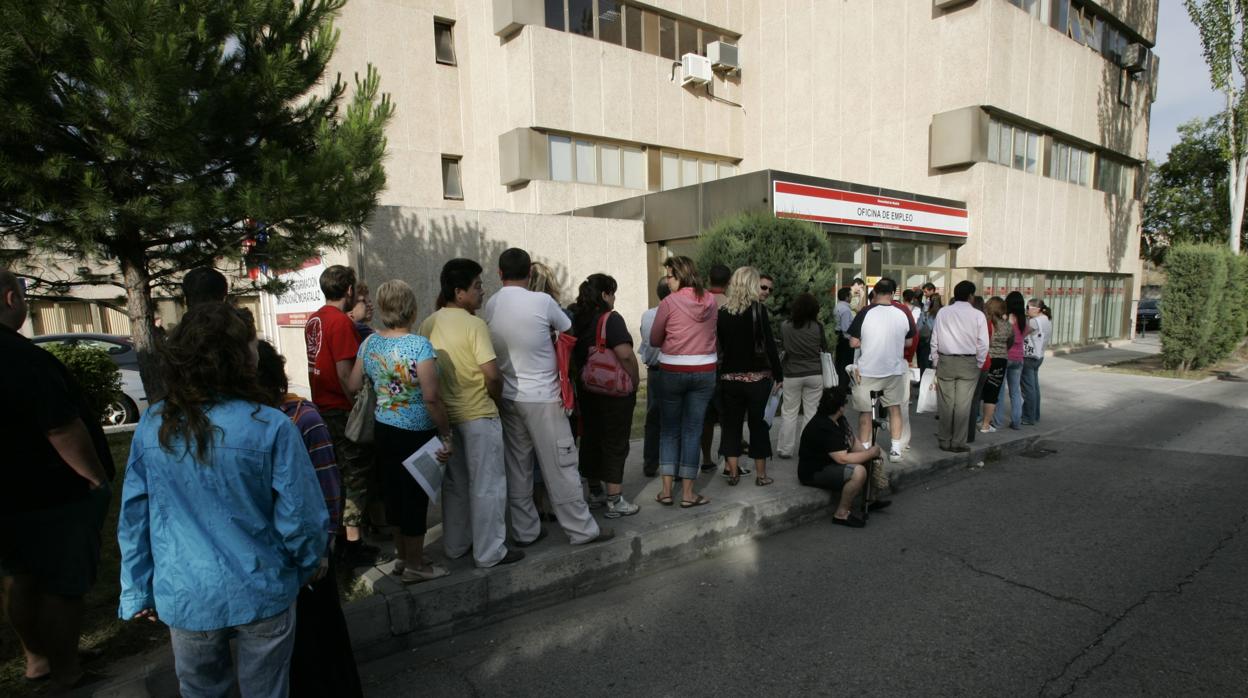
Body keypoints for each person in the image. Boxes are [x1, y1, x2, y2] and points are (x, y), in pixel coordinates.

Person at [118, 303, 329, 698]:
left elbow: (134, 516)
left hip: (188, 591)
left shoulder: (154, 425)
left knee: (201, 691)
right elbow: (302, 519)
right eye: (251, 344)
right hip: (262, 586)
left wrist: (137, 586)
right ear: (239, 357)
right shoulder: (270, 426)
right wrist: (302, 566)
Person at [0, 270, 113, 691]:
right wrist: (95, 478)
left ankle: (38, 660)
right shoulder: (18, 355)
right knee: (62, 584)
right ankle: (67, 671)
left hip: (10, 497)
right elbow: (61, 428)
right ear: (12, 298)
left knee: (19, 576)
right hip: (49, 492)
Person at [254, 341, 362, 697]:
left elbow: (329, 484)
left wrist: (326, 542)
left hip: (311, 547)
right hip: (274, 552)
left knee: (322, 633)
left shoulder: (302, 418)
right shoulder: (248, 421)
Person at [482, 250, 610, 546]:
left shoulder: (492, 304)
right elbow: (568, 330)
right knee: (562, 466)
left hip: (510, 397)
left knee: (518, 466)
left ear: (500, 274)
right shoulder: (542, 301)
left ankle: (525, 531)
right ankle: (581, 530)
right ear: (530, 273)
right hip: (544, 397)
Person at [348, 280, 455, 583]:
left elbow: (354, 385)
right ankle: (417, 565)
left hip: (384, 429)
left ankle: (402, 558)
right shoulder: (419, 345)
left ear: (382, 308)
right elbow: (432, 397)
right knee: (415, 499)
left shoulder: (369, 343)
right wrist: (447, 434)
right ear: (411, 307)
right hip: (417, 433)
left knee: (394, 495)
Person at [419, 258, 524, 567]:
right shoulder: (475, 324)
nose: (482, 291)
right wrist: (497, 398)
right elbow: (492, 375)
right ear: (459, 291)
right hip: (479, 415)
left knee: (455, 485)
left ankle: (455, 545)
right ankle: (490, 552)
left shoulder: (428, 323)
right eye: (477, 286)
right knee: (487, 486)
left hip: (447, 421)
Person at [305, 264, 386, 567]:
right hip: (340, 409)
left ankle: (341, 537)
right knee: (355, 477)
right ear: (349, 290)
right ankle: (352, 544)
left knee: (336, 474)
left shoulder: (314, 320)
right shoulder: (340, 323)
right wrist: (357, 407)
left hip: (322, 408)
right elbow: (344, 373)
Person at [570, 273, 643, 516]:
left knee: (591, 438)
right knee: (615, 441)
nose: (614, 298)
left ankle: (595, 492)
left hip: (586, 387)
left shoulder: (576, 317)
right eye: (612, 293)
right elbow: (624, 354)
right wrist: (634, 379)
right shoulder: (611, 319)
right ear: (605, 295)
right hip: (613, 391)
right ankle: (615, 499)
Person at [650, 255, 718, 508]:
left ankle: (667, 491)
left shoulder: (669, 302)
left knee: (669, 430)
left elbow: (656, 339)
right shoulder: (710, 300)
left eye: (670, 276)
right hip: (704, 370)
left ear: (680, 276)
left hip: (673, 369)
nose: (667, 282)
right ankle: (689, 494)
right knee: (693, 430)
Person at [716, 266, 783, 486]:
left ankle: (733, 472)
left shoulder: (723, 312)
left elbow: (721, 346)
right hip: (757, 379)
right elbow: (770, 346)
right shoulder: (758, 310)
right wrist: (779, 374)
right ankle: (761, 475)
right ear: (752, 284)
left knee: (732, 426)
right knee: (759, 426)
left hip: (729, 379)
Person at [847, 277, 915, 466]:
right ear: (893, 294)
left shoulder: (865, 312)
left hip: (868, 370)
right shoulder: (903, 313)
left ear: (874, 293)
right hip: (893, 371)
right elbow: (909, 341)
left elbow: (853, 342)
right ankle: (895, 449)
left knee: (865, 412)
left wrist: (867, 340)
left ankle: (866, 448)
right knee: (895, 410)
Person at [798, 388, 883, 527]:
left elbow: (852, 440)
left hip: (830, 464)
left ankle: (869, 500)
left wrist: (869, 454)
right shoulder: (823, 426)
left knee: (870, 459)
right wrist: (869, 453)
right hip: (814, 472)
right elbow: (841, 459)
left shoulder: (839, 419)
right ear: (840, 408)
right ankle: (841, 514)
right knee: (858, 472)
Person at [929, 281, 990, 453]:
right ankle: (958, 442)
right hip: (968, 362)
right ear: (971, 295)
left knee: (946, 403)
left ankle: (944, 439)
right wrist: (978, 362)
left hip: (946, 360)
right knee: (963, 404)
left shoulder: (943, 312)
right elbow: (983, 343)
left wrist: (935, 360)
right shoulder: (978, 315)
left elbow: (935, 337)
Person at [776, 292, 825, 459]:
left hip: (792, 373)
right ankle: (808, 448)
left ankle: (785, 449)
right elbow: (824, 349)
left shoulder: (785, 326)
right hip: (814, 373)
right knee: (811, 412)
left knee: (789, 412)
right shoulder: (818, 327)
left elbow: (783, 347)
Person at [698, 263, 733, 471]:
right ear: (728, 282)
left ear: (708, 279)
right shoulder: (729, 304)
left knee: (706, 417)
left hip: (702, 363)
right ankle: (729, 461)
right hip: (724, 365)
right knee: (728, 416)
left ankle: (707, 458)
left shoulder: (700, 301)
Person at [639, 276, 672, 477]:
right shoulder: (677, 314)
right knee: (675, 419)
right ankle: (673, 465)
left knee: (653, 418)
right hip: (671, 370)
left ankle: (650, 463)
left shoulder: (648, 315)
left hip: (654, 371)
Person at [991, 291, 1030, 431]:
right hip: (1019, 358)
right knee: (1015, 391)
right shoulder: (1024, 320)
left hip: (1005, 356)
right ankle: (1016, 421)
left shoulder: (1006, 318)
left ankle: (997, 421)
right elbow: (1026, 333)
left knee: (1000, 391)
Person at [978, 297, 1010, 433]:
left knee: (977, 390)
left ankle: (973, 419)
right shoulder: (1007, 325)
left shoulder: (985, 323)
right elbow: (1011, 341)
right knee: (993, 393)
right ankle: (986, 425)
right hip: (1000, 360)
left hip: (985, 358)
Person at [1022, 298, 1052, 425]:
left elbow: (1022, 334)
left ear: (1037, 309)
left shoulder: (1034, 322)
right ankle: (1035, 414)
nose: (1026, 310)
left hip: (1029, 356)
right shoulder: (1047, 319)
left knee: (1028, 388)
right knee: (1034, 387)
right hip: (1039, 356)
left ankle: (1028, 417)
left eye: (1028, 308)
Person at [833, 287, 855, 389]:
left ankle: (840, 385)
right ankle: (843, 386)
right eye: (850, 295)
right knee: (846, 363)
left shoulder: (837, 306)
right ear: (846, 297)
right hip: (845, 338)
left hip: (838, 336)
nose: (851, 297)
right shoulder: (846, 310)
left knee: (839, 362)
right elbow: (846, 327)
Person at [916, 293, 942, 373]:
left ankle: (924, 383)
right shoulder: (943, 311)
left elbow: (919, 327)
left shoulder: (926, 312)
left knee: (925, 364)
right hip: (940, 341)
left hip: (927, 341)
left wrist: (923, 313)